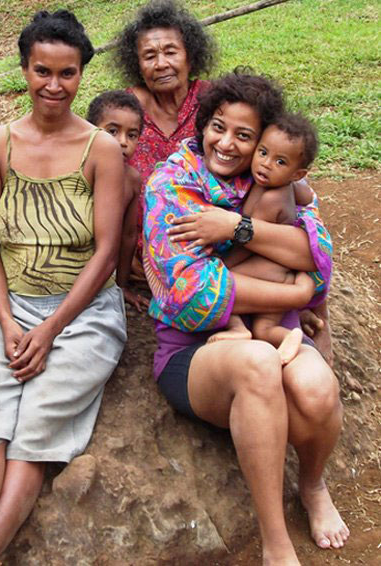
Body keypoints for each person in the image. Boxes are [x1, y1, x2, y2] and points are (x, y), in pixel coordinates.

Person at [143, 70, 348, 564]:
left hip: (262, 325)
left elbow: (320, 257)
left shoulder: (278, 177)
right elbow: (190, 291)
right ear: (202, 124)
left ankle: (313, 484)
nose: (227, 144)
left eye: (245, 135)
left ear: (263, 142)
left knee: (317, 389)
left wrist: (237, 226)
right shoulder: (171, 182)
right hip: (191, 351)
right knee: (258, 362)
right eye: (217, 126)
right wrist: (294, 285)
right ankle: (275, 541)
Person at [0, 11, 126, 565]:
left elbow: (106, 253)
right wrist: (5, 321)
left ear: (80, 75)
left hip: (83, 313)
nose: (54, 85)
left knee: (37, 426)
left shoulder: (102, 151)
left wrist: (50, 328)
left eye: (67, 73)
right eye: (42, 70)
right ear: (24, 69)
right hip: (4, 305)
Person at [209, 113, 320, 365]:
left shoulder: (271, 198)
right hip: (279, 270)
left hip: (268, 270)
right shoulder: (284, 186)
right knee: (265, 329)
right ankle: (290, 337)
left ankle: (237, 329)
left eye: (280, 161)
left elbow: (247, 242)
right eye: (262, 153)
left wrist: (223, 261)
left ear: (296, 173)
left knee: (216, 286)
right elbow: (306, 197)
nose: (266, 164)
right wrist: (297, 190)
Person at [113, 0, 215, 271]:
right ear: (137, 65)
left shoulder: (214, 102)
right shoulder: (124, 111)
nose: (160, 64)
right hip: (139, 251)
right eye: (149, 56)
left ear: (190, 57)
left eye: (171, 52)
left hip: (209, 244)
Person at [86, 90, 149, 311]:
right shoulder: (77, 170)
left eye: (132, 135)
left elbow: (128, 235)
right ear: (90, 131)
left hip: (103, 271)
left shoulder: (131, 180)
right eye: (112, 131)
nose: (122, 142)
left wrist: (121, 286)